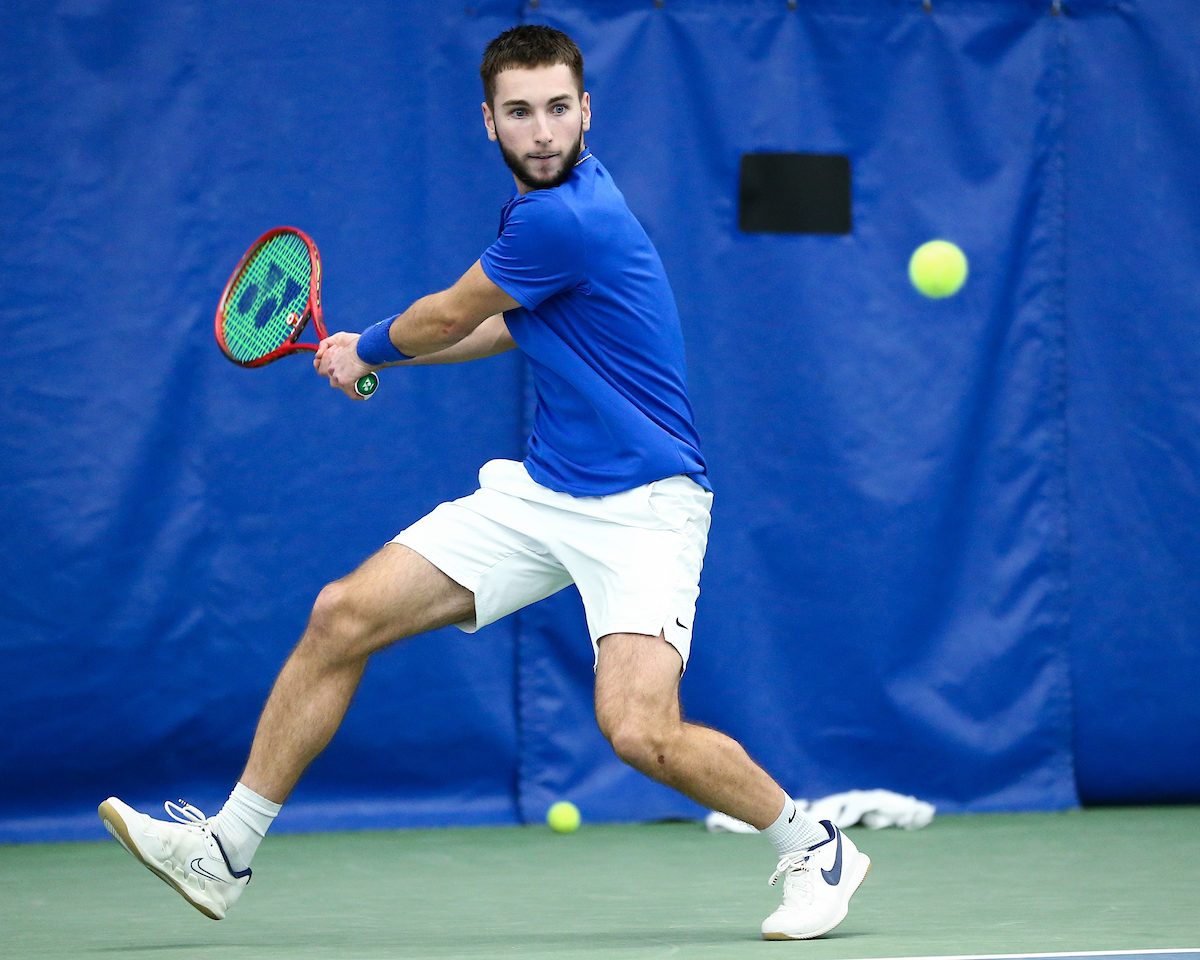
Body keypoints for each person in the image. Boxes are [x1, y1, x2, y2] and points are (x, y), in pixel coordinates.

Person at [98, 25, 869, 941]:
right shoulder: (544, 220)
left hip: (646, 505)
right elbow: (506, 324)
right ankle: (225, 849)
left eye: (556, 109)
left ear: (586, 111)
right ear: (489, 124)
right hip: (543, 492)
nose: (540, 130)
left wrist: (367, 347)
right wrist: (384, 356)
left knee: (638, 731)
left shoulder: (566, 217)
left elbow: (448, 313)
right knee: (342, 615)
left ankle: (814, 842)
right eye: (519, 113)